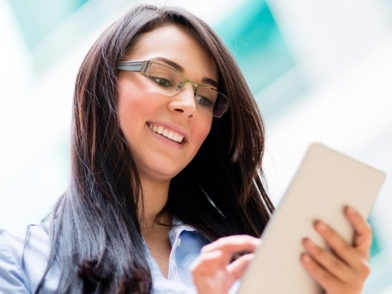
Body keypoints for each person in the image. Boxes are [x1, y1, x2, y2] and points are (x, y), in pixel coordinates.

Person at [0, 4, 372, 294]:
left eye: (207, 97)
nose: (189, 105)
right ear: (103, 86)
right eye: (163, 78)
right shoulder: (18, 263)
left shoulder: (248, 256)